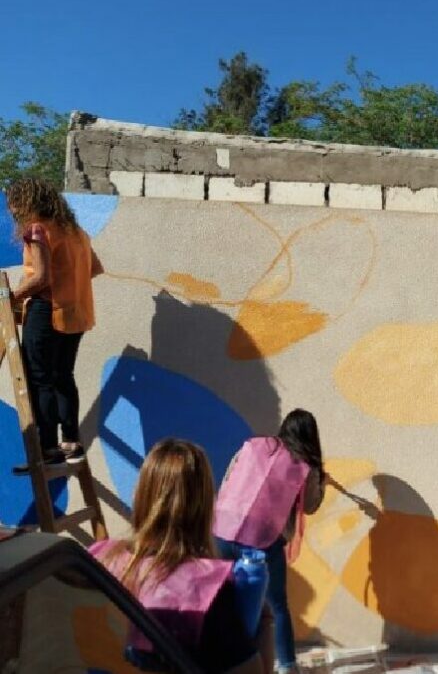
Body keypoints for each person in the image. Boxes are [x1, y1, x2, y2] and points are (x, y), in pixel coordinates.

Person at [90, 439, 268, 673]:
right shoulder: (207, 590)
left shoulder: (97, 558)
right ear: (203, 507)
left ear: (141, 494)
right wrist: (266, 621)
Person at [213, 409, 327, 674]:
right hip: (260, 540)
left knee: (227, 599)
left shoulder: (253, 445)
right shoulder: (303, 466)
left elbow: (230, 477)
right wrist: (321, 482)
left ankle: (230, 661)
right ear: (311, 437)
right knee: (276, 606)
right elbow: (310, 506)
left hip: (223, 529)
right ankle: (287, 666)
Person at [6, 177, 103, 470]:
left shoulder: (37, 228)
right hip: (76, 312)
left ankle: (48, 446)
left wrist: (10, 296)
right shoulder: (76, 232)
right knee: (62, 375)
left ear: (26, 200)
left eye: (13, 202)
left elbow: (42, 278)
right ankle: (70, 441)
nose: (11, 208)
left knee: (39, 379)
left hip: (47, 311)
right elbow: (93, 269)